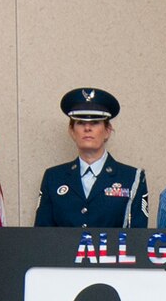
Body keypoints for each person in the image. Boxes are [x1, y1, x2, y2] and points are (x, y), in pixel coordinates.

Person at [34, 87, 148, 228]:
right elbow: (41, 236)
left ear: (107, 131)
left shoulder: (131, 178)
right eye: (80, 122)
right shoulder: (53, 178)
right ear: (72, 131)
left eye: (95, 122)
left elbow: (137, 238)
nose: (87, 128)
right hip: (63, 251)